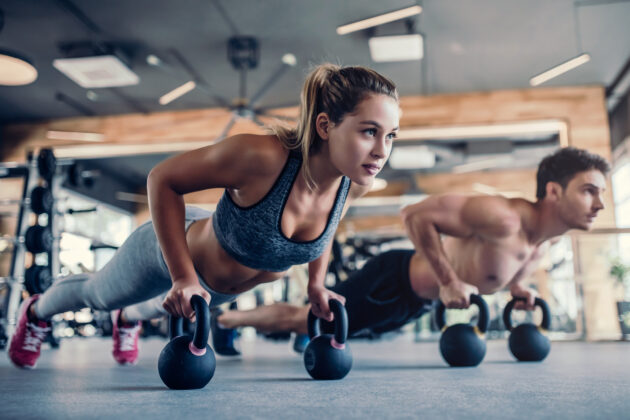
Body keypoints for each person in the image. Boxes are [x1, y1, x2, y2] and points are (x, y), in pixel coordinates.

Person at [8, 63, 401, 368]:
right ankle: (37, 311)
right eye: (370, 131)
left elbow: (325, 231)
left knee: (158, 304)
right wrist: (182, 276)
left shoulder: (353, 183)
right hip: (171, 250)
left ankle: (128, 320)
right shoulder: (261, 158)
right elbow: (162, 179)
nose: (382, 150)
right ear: (325, 126)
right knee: (98, 296)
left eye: (391, 136)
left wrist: (316, 284)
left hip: (208, 290)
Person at [213, 147, 610, 350]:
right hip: (393, 280)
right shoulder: (502, 216)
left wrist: (519, 287)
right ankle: (225, 322)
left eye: (603, 193)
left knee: (330, 330)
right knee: (305, 320)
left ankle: (250, 324)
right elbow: (414, 214)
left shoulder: (547, 240)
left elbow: (503, 265)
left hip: (412, 303)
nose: (600, 204)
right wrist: (449, 279)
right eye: (589, 191)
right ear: (554, 192)